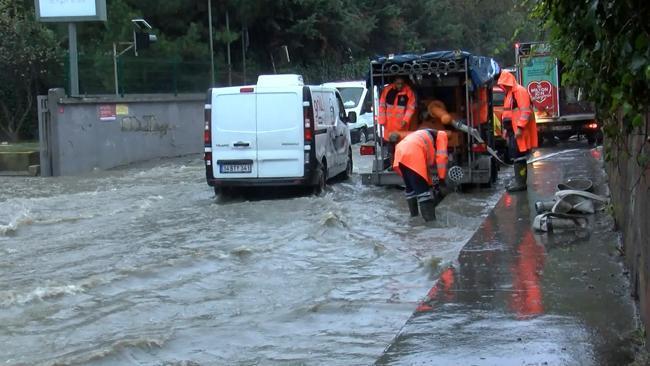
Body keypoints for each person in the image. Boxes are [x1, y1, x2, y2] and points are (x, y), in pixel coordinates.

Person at [392, 129, 448, 221]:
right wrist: (442, 180)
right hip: (413, 153)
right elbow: (442, 158)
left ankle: (414, 220)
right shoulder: (442, 135)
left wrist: (430, 185)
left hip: (400, 153)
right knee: (424, 194)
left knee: (411, 190)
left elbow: (424, 169)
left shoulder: (422, 135)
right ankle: (431, 226)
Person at [497, 71, 538, 192]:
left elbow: (526, 112)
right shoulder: (510, 94)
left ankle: (521, 183)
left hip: (519, 130)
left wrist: (519, 128)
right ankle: (519, 182)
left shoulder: (519, 91)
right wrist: (506, 130)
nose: (503, 86)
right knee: (515, 156)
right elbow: (507, 113)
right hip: (513, 130)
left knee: (519, 156)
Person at [378, 77, 417, 164]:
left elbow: (411, 107)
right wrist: (382, 121)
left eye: (401, 84)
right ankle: (393, 165)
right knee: (391, 149)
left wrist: (406, 120)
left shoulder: (408, 91)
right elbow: (382, 106)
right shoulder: (387, 90)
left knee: (402, 147)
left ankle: (402, 165)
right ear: (394, 82)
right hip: (389, 127)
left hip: (402, 127)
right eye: (398, 83)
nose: (400, 86)